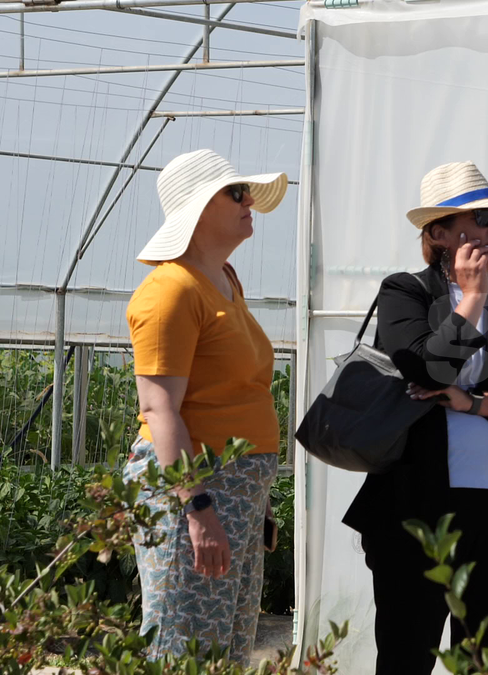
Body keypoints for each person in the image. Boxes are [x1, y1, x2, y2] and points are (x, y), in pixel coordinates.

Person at [343, 161, 488, 674]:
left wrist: (473, 402)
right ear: (439, 233)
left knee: (484, 661)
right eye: (482, 217)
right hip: (414, 509)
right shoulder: (406, 291)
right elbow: (425, 365)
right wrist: (472, 298)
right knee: (405, 658)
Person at [124, 149, 290, 664]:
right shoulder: (170, 291)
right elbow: (159, 409)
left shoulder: (225, 280)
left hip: (233, 494)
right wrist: (197, 508)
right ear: (196, 211)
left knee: (224, 652)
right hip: (196, 494)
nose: (249, 202)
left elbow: (235, 393)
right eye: (236, 193)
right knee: (185, 647)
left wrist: (256, 496)